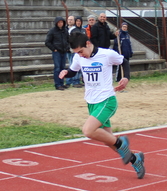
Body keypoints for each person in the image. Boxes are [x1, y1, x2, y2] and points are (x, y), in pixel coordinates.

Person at [59, 31, 145, 178]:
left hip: (107, 100)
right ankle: (135, 159)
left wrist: (126, 78)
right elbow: (74, 71)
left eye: (81, 51)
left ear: (88, 44)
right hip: (91, 102)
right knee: (108, 140)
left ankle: (122, 142)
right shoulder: (78, 57)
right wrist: (66, 72)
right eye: (77, 53)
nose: (80, 55)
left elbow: (124, 61)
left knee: (88, 131)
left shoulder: (107, 54)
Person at [45, 16, 70, 90]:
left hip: (64, 51)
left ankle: (62, 83)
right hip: (57, 52)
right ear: (56, 23)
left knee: (63, 68)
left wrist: (67, 48)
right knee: (57, 68)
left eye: (61, 22)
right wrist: (54, 49)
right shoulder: (52, 31)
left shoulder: (65, 30)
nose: (60, 24)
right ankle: (57, 84)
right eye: (59, 22)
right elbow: (47, 42)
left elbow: (68, 40)